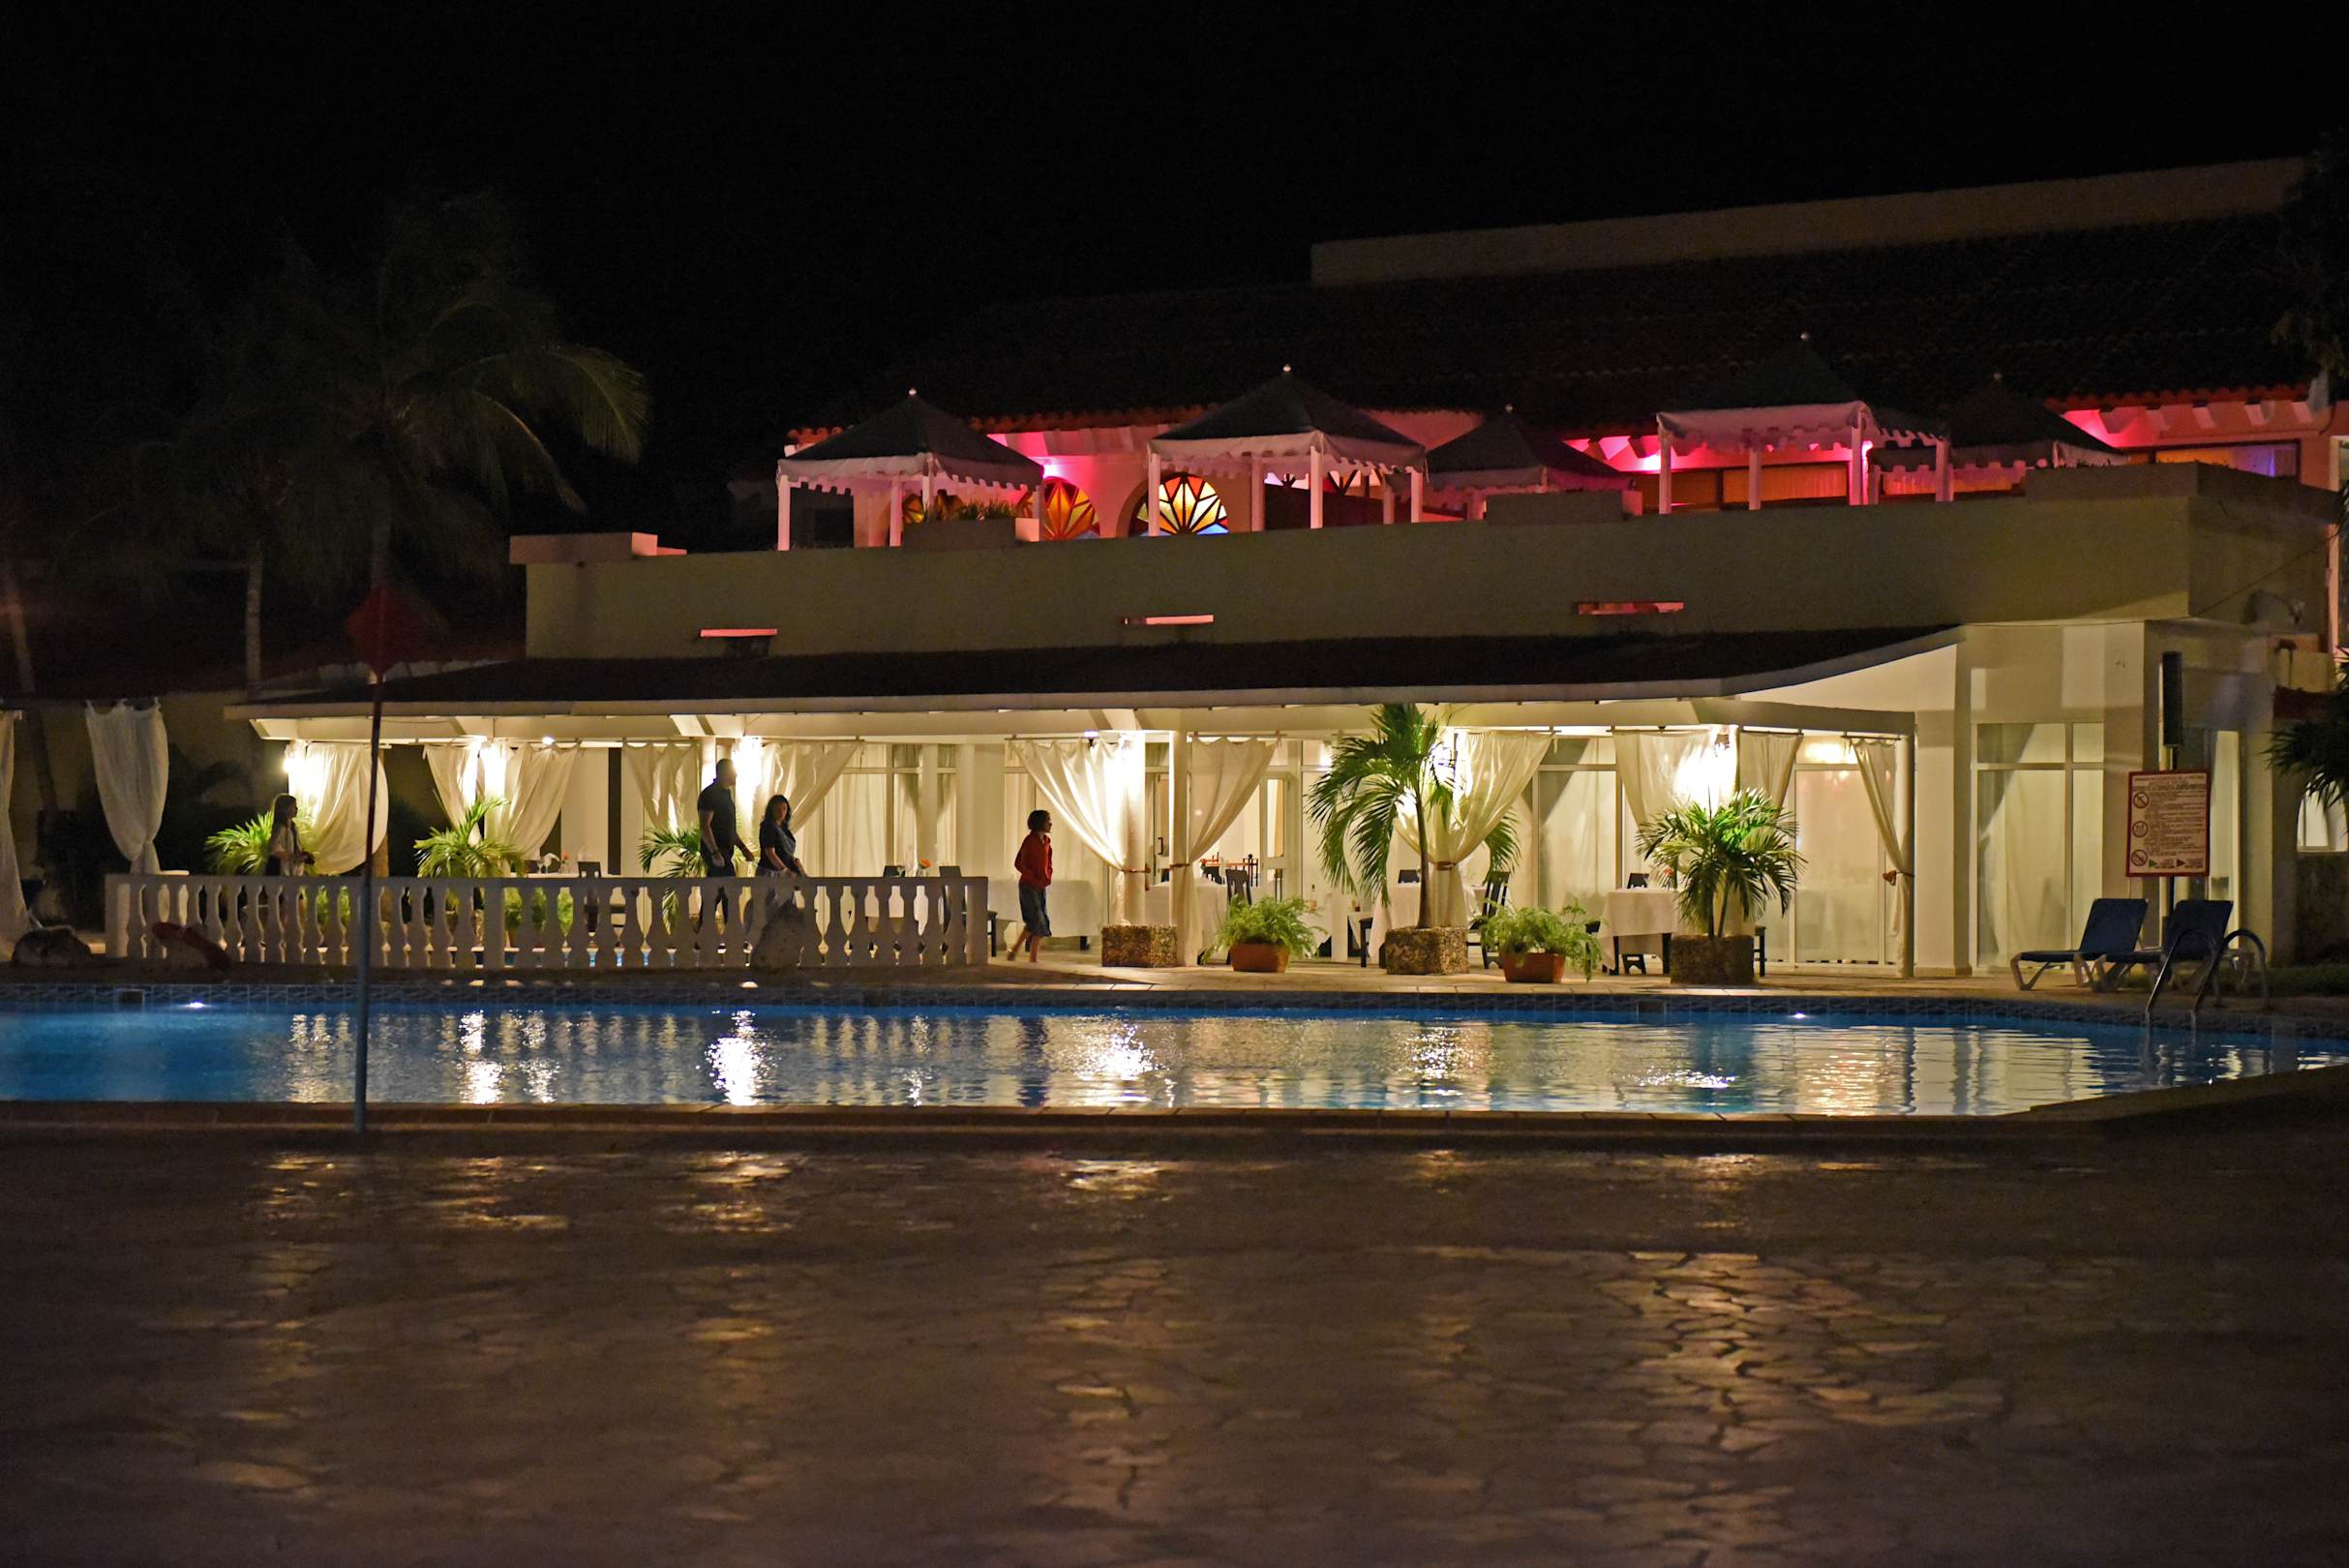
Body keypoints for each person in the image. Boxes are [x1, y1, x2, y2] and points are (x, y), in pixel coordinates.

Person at [1012, 807, 1053, 962]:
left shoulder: (1047, 842)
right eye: (1048, 820)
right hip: (1028, 886)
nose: (1050, 824)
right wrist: (1032, 877)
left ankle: (1032, 957)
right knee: (1035, 919)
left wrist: (1047, 876)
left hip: (1040, 886)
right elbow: (1019, 863)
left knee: (1041, 921)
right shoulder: (1029, 842)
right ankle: (1016, 950)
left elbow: (1048, 863)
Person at [697, 758, 747, 876]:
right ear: (725, 773)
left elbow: (729, 828)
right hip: (717, 850)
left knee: (720, 884)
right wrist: (714, 852)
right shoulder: (710, 794)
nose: (736, 775)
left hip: (724, 851)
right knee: (728, 883)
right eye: (733, 772)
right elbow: (705, 825)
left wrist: (743, 848)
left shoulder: (726, 794)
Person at [263, 795, 312, 877]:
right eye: (293, 806)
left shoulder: (294, 828)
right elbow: (274, 847)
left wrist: (302, 856)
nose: (296, 809)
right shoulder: (280, 828)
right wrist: (292, 857)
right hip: (281, 871)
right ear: (285, 809)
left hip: (292, 872)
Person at [758, 795, 805, 878]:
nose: (781, 812)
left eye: (784, 809)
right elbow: (770, 853)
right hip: (771, 872)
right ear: (772, 810)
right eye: (778, 809)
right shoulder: (768, 826)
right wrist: (785, 871)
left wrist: (794, 861)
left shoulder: (784, 828)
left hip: (784, 870)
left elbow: (785, 852)